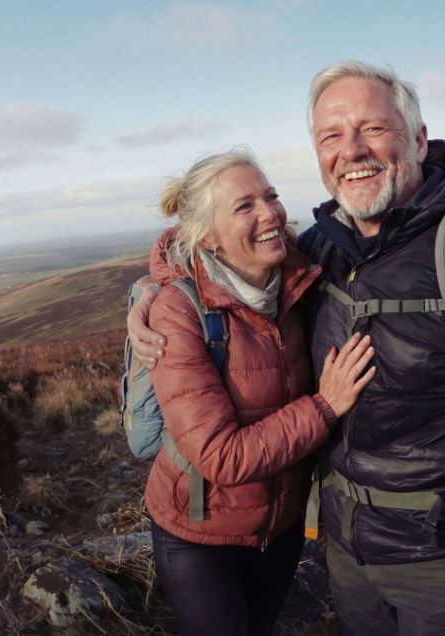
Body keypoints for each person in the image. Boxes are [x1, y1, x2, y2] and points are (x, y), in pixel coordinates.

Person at [131, 62, 445, 636]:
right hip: (346, 555)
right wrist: (152, 295)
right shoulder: (319, 252)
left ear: (419, 139)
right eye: (331, 135)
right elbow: (217, 265)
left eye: (373, 128)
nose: (351, 150)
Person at [142, 149, 378, 636]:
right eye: (244, 206)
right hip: (199, 533)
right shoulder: (177, 313)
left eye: (270, 196)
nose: (269, 213)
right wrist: (325, 406)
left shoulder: (298, 276)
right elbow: (221, 457)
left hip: (282, 525)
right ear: (207, 236)